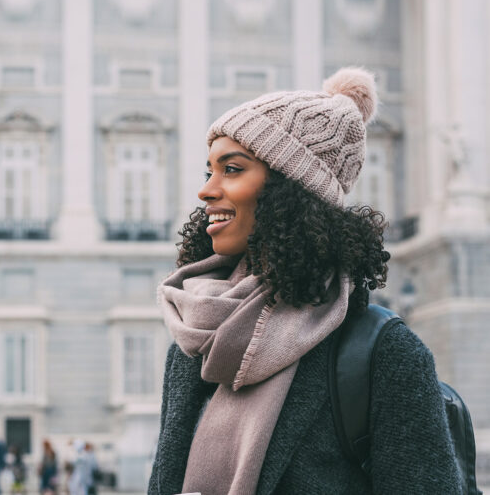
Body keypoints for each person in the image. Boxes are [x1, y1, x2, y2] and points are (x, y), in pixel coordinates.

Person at [148, 67, 463, 494]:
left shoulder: (384, 355)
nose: (207, 190)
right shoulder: (192, 346)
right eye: (210, 171)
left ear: (290, 191)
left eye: (233, 169)